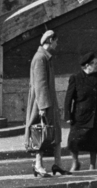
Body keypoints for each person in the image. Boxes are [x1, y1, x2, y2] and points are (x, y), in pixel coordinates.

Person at [25, 31, 66, 177]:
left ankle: (58, 164)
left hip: (48, 102)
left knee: (53, 133)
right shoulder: (40, 58)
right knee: (41, 133)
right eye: (55, 41)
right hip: (41, 103)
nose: (57, 44)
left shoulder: (45, 57)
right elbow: (40, 84)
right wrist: (43, 107)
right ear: (50, 40)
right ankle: (38, 165)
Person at [64, 53, 97, 171]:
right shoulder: (75, 78)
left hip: (94, 115)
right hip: (80, 116)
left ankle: (92, 165)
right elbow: (68, 98)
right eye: (95, 63)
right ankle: (75, 163)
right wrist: (68, 115)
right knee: (73, 142)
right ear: (88, 65)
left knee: (94, 142)